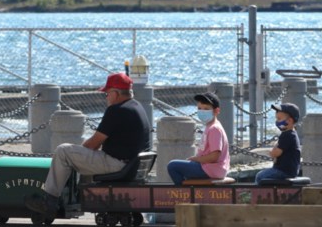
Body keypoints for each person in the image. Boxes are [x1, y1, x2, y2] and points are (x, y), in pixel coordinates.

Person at [25, 72, 151, 218]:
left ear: (116, 93)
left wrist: (77, 153)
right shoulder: (137, 107)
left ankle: (49, 202)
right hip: (132, 166)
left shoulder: (117, 110)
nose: (106, 97)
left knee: (63, 151)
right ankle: (79, 197)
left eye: (107, 93)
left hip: (117, 164)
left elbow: (93, 144)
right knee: (76, 156)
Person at [166, 92, 230, 185]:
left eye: (206, 109)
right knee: (184, 168)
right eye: (199, 108)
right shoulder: (210, 126)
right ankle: (191, 191)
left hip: (212, 169)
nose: (202, 111)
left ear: (216, 111)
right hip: (211, 168)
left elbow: (214, 156)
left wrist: (196, 159)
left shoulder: (214, 129)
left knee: (173, 166)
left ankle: (183, 193)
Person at [255, 103, 301, 184]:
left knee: (260, 176)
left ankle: (257, 195)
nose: (277, 122)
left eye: (279, 119)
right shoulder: (291, 134)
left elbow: (275, 153)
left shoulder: (287, 135)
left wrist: (272, 152)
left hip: (284, 171)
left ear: (289, 120)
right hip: (289, 171)